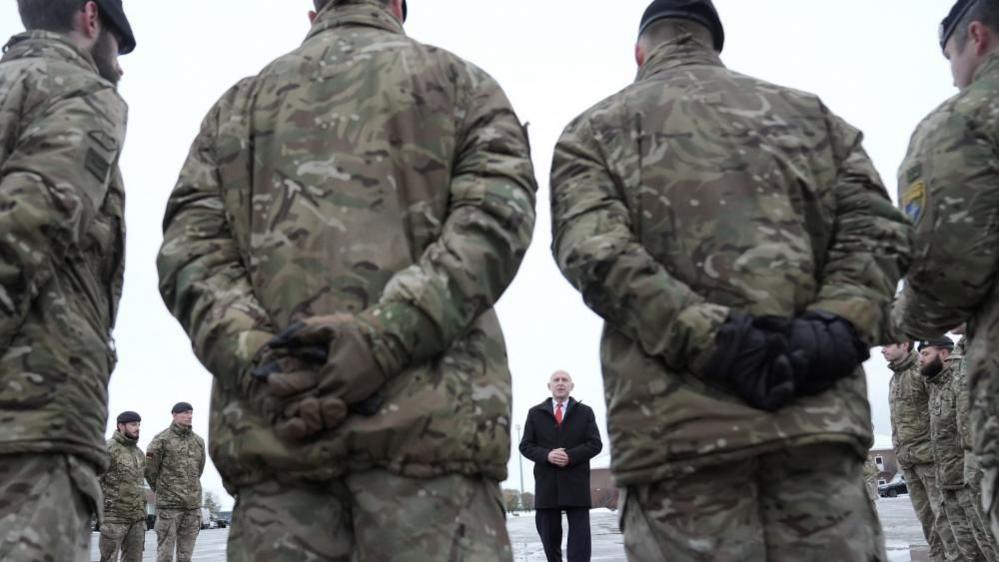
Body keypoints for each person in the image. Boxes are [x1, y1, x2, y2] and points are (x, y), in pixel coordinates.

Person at [155, 0, 536, 559]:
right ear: (397, 6)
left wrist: (263, 361)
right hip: (428, 450)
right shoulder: (462, 87)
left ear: (313, 13)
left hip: (278, 453)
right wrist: (382, 340)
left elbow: (189, 256)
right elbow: (494, 225)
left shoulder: (235, 110)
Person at [549, 0, 911, 559]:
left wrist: (717, 340)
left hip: (680, 431)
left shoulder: (596, 131)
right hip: (813, 415)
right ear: (713, 44)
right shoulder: (810, 118)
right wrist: (834, 328)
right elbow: (877, 230)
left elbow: (595, 252)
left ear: (640, 52)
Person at [0, 1, 133, 560]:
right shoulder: (78, 93)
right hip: (32, 420)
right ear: (90, 16)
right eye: (119, 48)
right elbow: (24, 233)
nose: (120, 67)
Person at [893, 0, 999, 541]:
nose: (953, 74)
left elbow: (943, 282)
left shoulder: (964, 122)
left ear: (975, 37)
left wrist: (883, 322)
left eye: (950, 56)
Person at [920, 337, 994, 561]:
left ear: (943, 354)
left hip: (966, 479)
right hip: (947, 482)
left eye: (925, 354)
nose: (920, 360)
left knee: (987, 543)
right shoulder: (936, 387)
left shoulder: (958, 383)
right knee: (965, 549)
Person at [883, 341, 957, 561]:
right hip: (908, 460)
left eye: (888, 344)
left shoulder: (923, 370)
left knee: (946, 518)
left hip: (930, 458)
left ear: (905, 344)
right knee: (928, 522)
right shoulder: (894, 379)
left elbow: (940, 410)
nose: (882, 349)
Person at [519, 371, 603, 562]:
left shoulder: (585, 412)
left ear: (571, 386)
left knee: (580, 542)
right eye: (556, 380)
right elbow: (525, 446)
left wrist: (570, 456)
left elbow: (595, 444)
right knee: (549, 537)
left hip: (576, 485)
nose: (560, 383)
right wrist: (547, 455)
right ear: (549, 386)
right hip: (547, 485)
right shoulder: (535, 413)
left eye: (565, 380)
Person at [146, 402, 205, 562]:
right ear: (174, 414)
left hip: (192, 508)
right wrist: (164, 490)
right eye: (185, 413)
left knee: (186, 556)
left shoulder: (198, 442)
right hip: (169, 508)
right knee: (165, 554)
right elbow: (150, 470)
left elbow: (198, 471)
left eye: (191, 413)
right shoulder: (161, 440)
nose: (189, 416)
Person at [99, 411, 147, 562]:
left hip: (137, 519)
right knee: (108, 559)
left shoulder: (139, 453)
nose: (137, 428)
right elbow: (94, 479)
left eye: (139, 424)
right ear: (121, 426)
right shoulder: (107, 449)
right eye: (133, 424)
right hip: (114, 518)